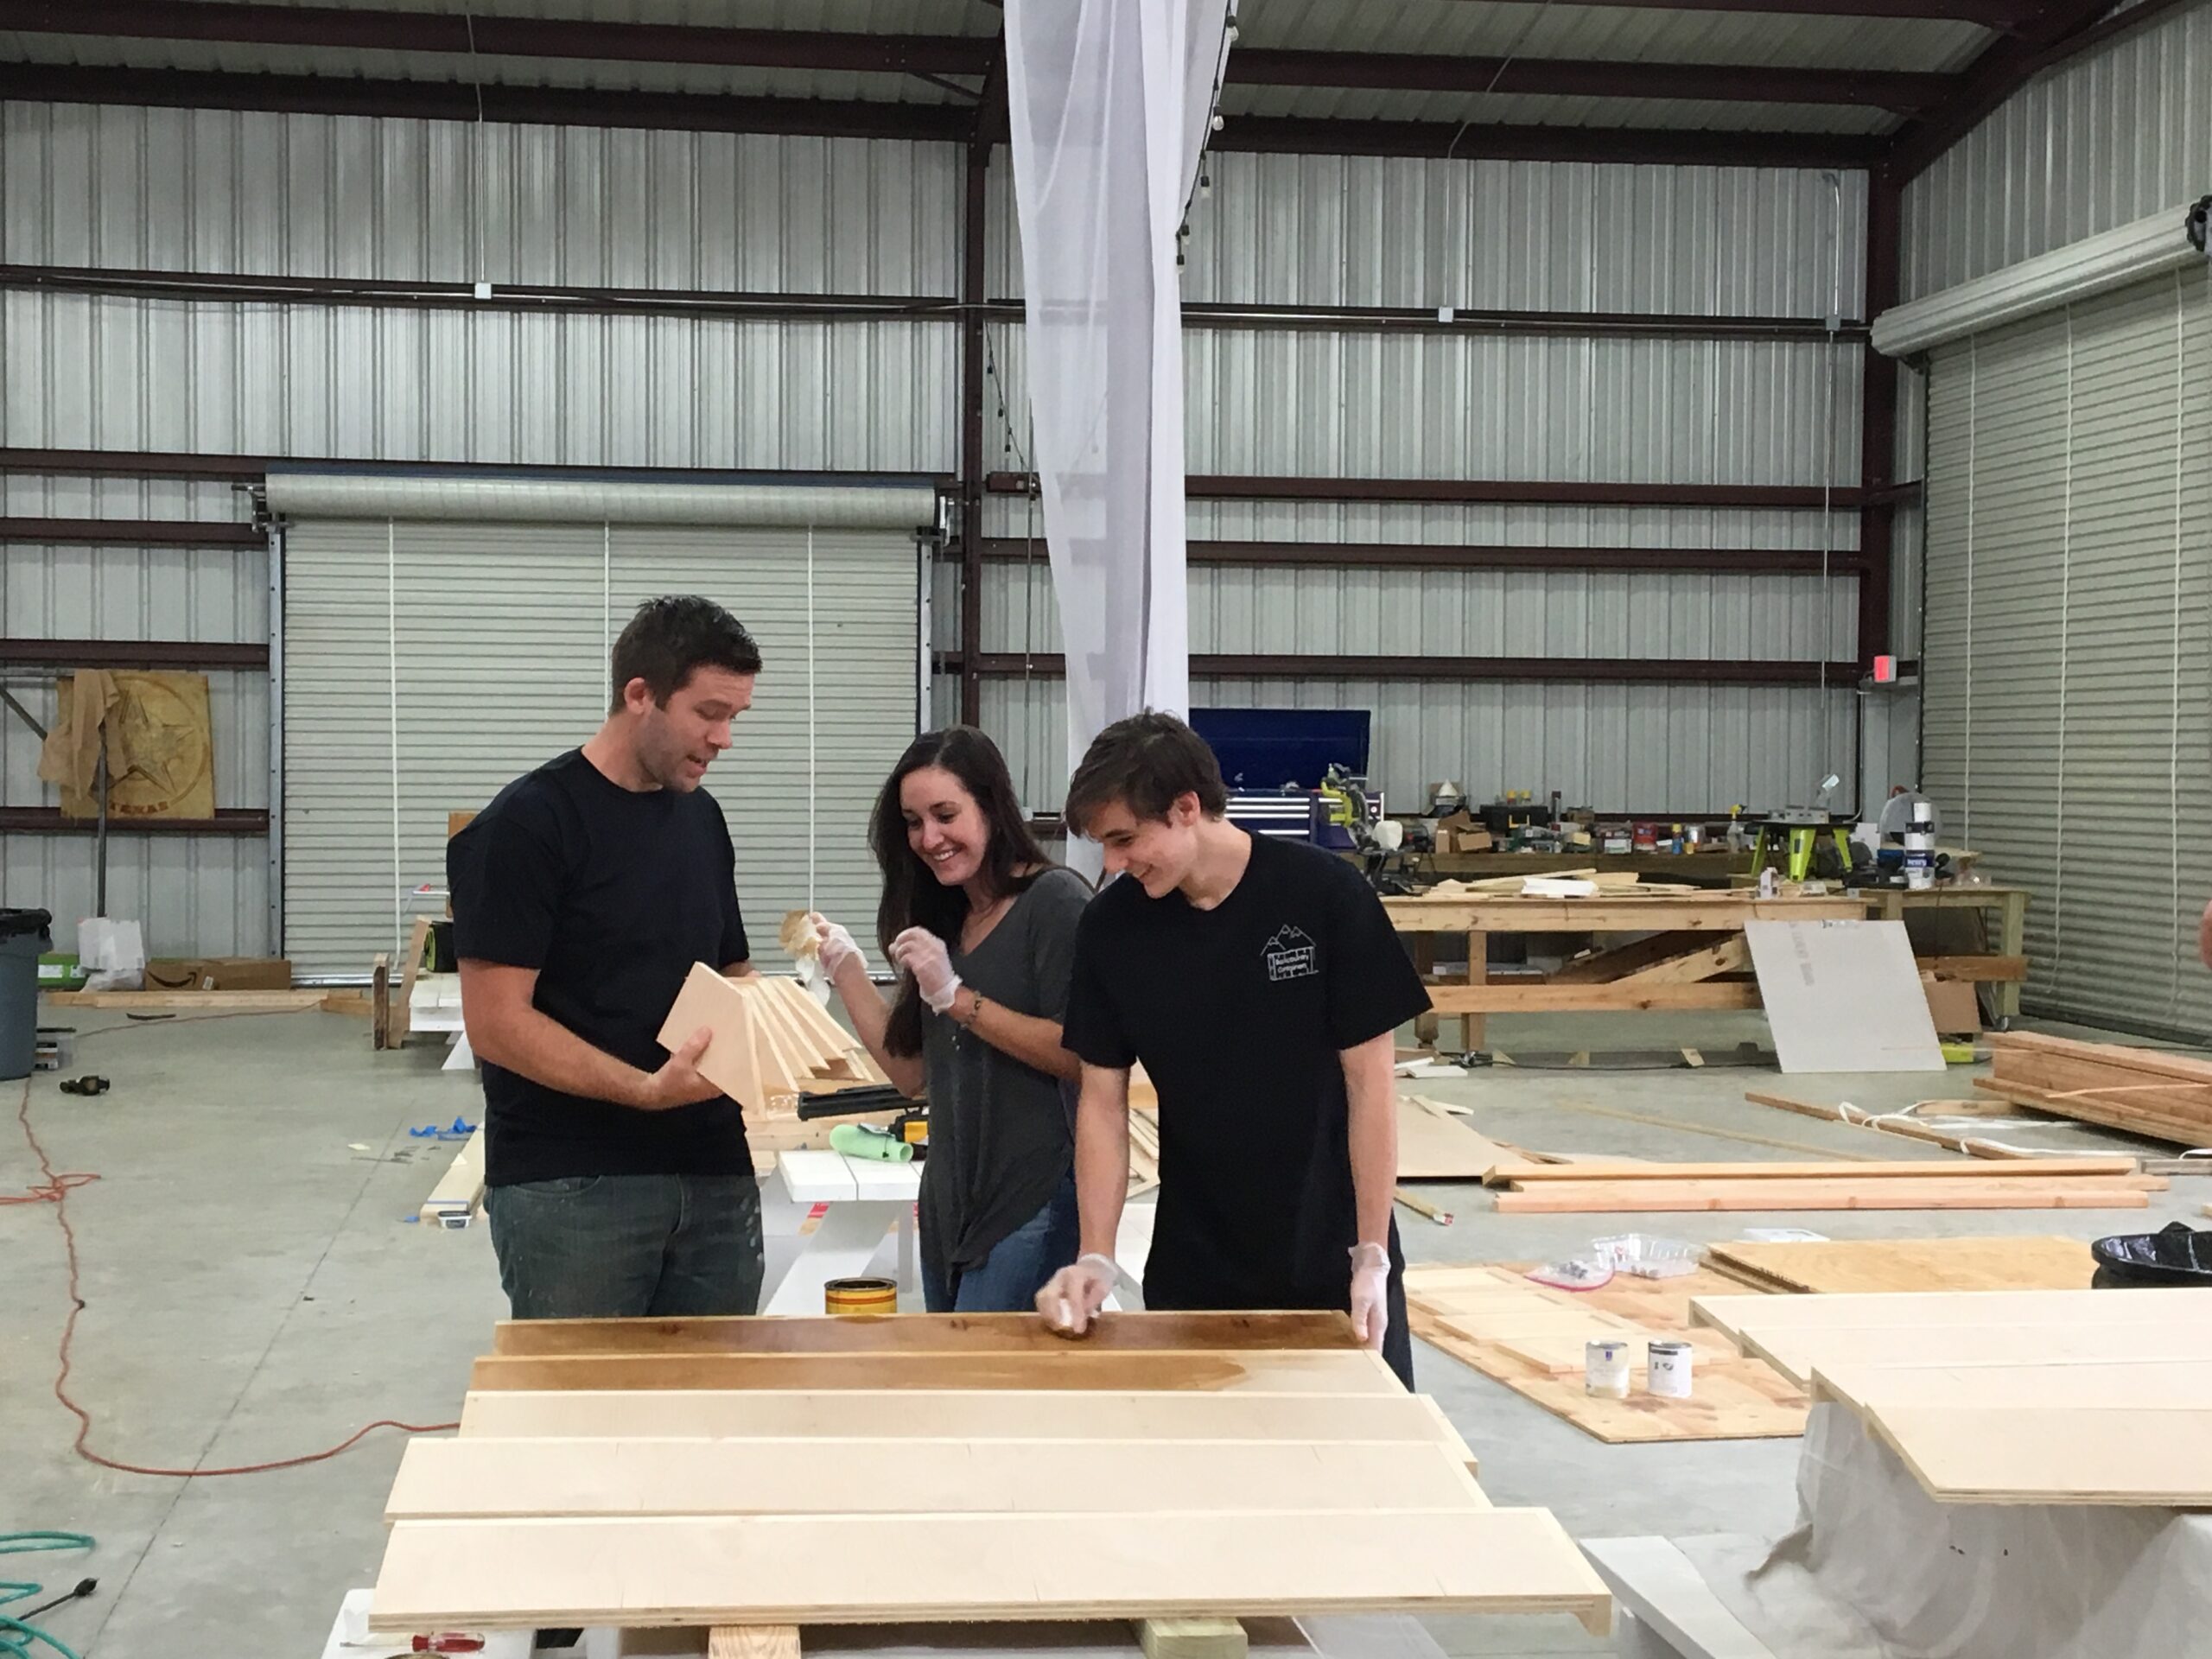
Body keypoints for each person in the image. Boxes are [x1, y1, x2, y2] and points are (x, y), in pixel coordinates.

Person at [1034, 712, 1430, 1387]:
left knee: (1358, 1460)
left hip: (1325, 1241)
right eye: (1105, 844)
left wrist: (1370, 1253)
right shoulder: (1112, 929)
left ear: (1187, 808)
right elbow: (1101, 1101)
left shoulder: (1324, 897)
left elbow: (1371, 1085)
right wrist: (1096, 1254)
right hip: (1198, 1255)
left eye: (1126, 839)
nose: (1114, 863)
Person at [448, 594, 766, 1320]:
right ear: (640, 694)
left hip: (713, 1171)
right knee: (584, 1415)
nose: (724, 739)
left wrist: (783, 1030)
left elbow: (731, 973)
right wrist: (645, 1091)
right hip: (575, 1183)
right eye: (709, 713)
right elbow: (497, 1023)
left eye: (735, 719)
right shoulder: (528, 826)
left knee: (710, 1410)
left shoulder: (702, 819)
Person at [811, 727, 1089, 1313]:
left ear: (990, 806)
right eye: (914, 822)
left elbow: (1082, 1054)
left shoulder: (1055, 902)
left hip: (1030, 1206)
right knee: (955, 1388)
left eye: (945, 814)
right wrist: (850, 973)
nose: (928, 838)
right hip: (947, 1210)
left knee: (993, 1394)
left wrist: (959, 999)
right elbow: (913, 1076)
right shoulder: (947, 916)